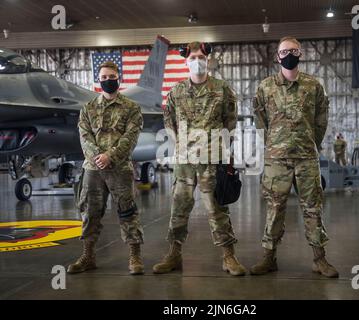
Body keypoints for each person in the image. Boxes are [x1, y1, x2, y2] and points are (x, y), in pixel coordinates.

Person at [152, 41, 246, 276]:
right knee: (179, 208)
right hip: (184, 161)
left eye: (200, 57)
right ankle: (173, 254)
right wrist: (180, 145)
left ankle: (228, 256)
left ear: (208, 60)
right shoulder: (176, 91)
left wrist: (222, 151)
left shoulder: (222, 89)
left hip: (212, 160)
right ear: (186, 61)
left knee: (217, 209)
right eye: (192, 57)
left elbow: (230, 122)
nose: (197, 61)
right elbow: (168, 121)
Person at [251, 36, 339, 278]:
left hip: (306, 158)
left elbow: (321, 119)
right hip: (276, 159)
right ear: (277, 56)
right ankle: (269, 258)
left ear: (300, 54)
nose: (288, 54)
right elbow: (260, 119)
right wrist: (272, 144)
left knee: (312, 208)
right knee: (274, 208)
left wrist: (312, 143)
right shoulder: (265, 87)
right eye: (284, 51)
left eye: (293, 50)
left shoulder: (313, 86)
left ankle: (319, 259)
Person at [67, 61, 144, 275]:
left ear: (119, 79)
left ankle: (135, 257)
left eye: (112, 77)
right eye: (104, 77)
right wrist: (98, 158)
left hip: (120, 168)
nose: (108, 80)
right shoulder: (88, 108)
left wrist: (110, 156)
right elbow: (85, 137)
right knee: (90, 213)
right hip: (93, 169)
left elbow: (131, 137)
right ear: (98, 80)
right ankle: (88, 256)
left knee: (127, 212)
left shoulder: (132, 108)